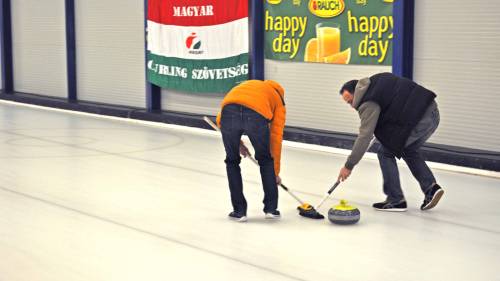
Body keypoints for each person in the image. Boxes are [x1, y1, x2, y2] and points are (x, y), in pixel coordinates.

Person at [337, 72, 444, 212]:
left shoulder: (367, 102)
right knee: (408, 149)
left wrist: (348, 165)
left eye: (350, 101)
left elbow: (365, 136)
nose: (351, 106)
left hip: (419, 120)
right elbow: (396, 104)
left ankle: (395, 200)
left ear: (356, 92)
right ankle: (431, 188)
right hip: (432, 112)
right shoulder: (377, 80)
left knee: (384, 152)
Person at [216, 80, 286, 222]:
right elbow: (276, 138)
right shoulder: (278, 100)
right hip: (256, 115)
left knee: (232, 161)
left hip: (228, 112)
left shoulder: (248, 86)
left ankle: (239, 211)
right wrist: (275, 173)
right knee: (266, 160)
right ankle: (271, 209)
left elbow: (220, 121)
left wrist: (238, 144)